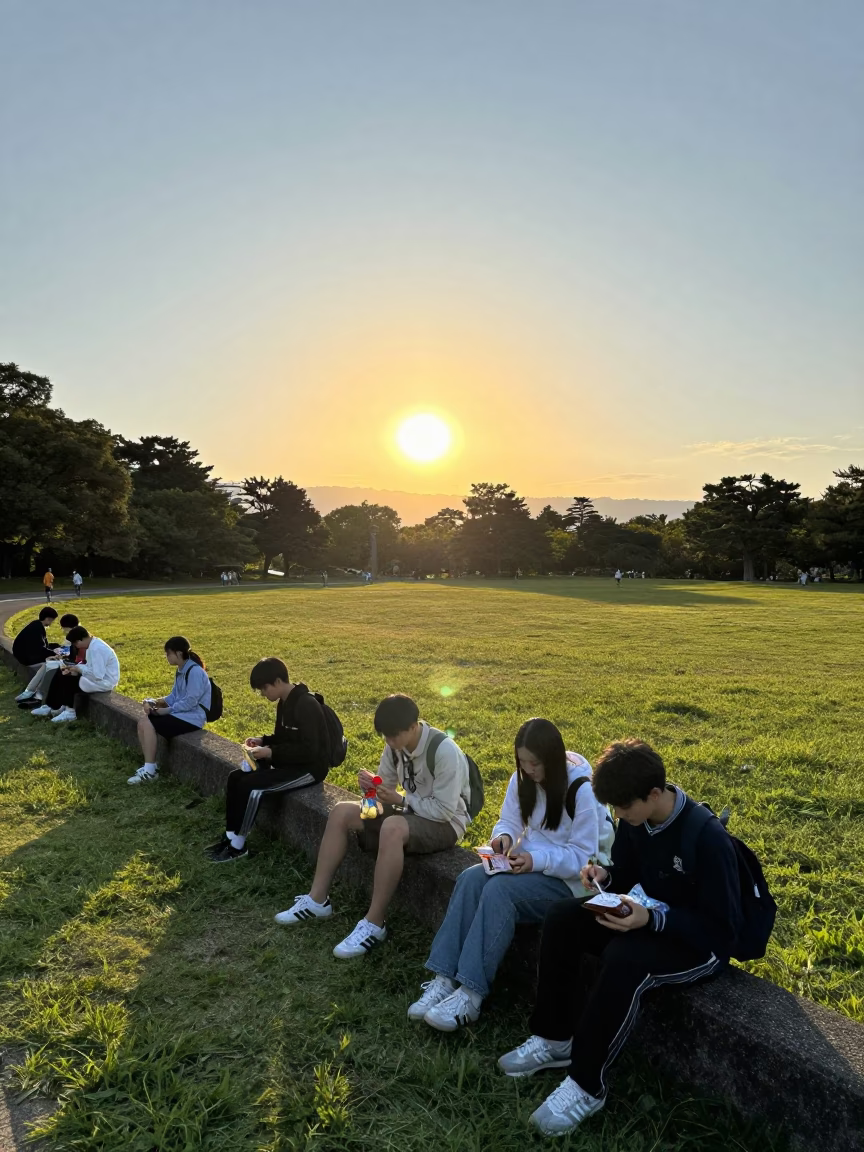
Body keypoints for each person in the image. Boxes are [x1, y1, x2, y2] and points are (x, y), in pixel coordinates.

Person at [498, 738, 741, 1137]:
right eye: (614, 807)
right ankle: (555, 1038)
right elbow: (628, 873)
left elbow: (722, 930)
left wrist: (653, 921)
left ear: (655, 794)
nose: (619, 816)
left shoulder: (706, 837)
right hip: (644, 916)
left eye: (624, 807)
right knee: (563, 917)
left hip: (699, 942)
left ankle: (586, 1084)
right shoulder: (635, 819)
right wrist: (606, 878)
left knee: (626, 958)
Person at [409, 719, 614, 1032]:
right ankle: (443, 979)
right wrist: (502, 838)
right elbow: (509, 822)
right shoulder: (521, 780)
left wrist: (535, 859)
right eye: (522, 762)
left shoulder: (580, 789)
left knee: (499, 891)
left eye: (535, 763)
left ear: (553, 759)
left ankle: (471, 994)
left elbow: (581, 858)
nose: (529, 770)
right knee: (470, 878)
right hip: (530, 866)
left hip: (572, 884)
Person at [275, 693, 470, 958]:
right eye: (386, 738)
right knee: (342, 811)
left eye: (394, 736)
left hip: (445, 823)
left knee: (392, 827)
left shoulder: (444, 750)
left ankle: (374, 923)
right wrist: (371, 790)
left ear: (413, 727)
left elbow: (445, 810)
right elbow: (382, 794)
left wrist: (400, 800)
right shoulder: (394, 746)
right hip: (411, 811)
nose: (390, 743)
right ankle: (318, 899)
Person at [205, 657, 332, 863]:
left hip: (310, 769)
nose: (263, 694)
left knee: (252, 787)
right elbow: (284, 738)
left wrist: (271, 753)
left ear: (278, 682)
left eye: (264, 689)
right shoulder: (284, 702)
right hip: (291, 763)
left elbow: (310, 750)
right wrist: (263, 740)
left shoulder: (306, 704)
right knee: (235, 778)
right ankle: (230, 837)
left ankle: (238, 846)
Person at [128, 636, 212, 785]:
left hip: (193, 718)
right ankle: (150, 766)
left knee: (147, 723)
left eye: (168, 654)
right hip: (183, 715)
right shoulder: (182, 670)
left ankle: (150, 772)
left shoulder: (195, 672)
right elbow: (174, 697)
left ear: (178, 653)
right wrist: (153, 702)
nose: (166, 657)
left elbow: (191, 701)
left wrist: (168, 711)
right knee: (143, 722)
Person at [31, 627, 120, 723]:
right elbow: (90, 667)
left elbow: (97, 675)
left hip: (104, 682)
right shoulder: (92, 645)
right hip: (97, 678)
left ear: (80, 640)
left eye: (76, 644)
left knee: (71, 678)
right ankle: (52, 706)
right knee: (61, 672)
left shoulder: (97, 649)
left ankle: (70, 712)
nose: (77, 647)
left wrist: (78, 670)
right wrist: (75, 668)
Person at [16, 613, 80, 704]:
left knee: (50, 667)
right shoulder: (75, 634)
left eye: (63, 628)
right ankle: (33, 693)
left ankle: (36, 695)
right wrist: (58, 655)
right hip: (72, 663)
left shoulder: (76, 636)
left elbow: (73, 653)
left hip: (77, 666)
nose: (63, 630)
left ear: (67, 627)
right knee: (48, 664)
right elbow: (67, 651)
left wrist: (60, 656)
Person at [12, 606, 59, 678]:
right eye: (52, 620)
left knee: (55, 646)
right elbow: (40, 649)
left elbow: (41, 645)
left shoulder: (36, 625)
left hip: (24, 654)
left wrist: (56, 647)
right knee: (54, 662)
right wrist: (55, 653)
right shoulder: (37, 629)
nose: (51, 623)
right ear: (48, 619)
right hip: (26, 658)